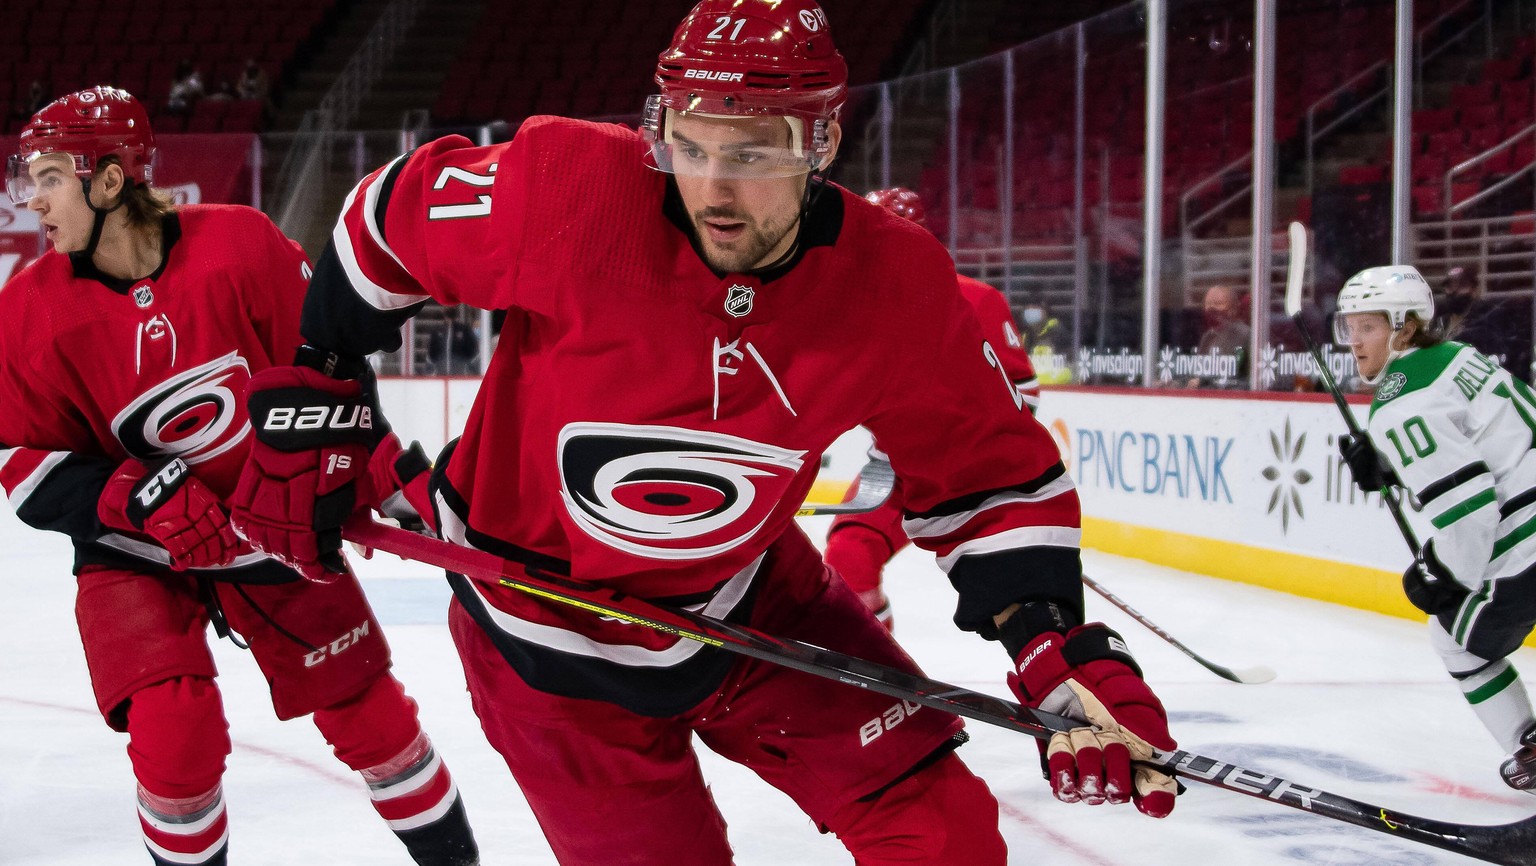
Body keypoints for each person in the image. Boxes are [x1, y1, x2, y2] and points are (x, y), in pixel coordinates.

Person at [229, 3, 1179, 862]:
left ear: (824, 140)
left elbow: (985, 480)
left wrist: (1057, 649)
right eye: (691, 146)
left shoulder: (896, 284)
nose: (715, 189)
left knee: (945, 839)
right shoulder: (569, 190)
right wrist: (323, 390)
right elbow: (382, 227)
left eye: (756, 152)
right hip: (544, 637)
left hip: (751, 596)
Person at [0, 87, 480, 865]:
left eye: (51, 176)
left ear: (111, 179)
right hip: (138, 551)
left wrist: (387, 474)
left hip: (273, 524)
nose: (34, 202)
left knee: (375, 722)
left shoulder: (241, 247)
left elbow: (324, 380)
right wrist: (135, 495)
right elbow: (25, 469)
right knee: (174, 737)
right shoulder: (27, 312)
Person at [1336, 264, 1536, 794]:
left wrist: (1446, 573)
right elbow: (1487, 442)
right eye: (1349, 327)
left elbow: (1471, 511)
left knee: (1456, 639)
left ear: (1404, 327)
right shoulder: (1455, 357)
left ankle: (1532, 750)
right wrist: (1390, 466)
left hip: (1530, 541)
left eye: (1369, 327)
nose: (1355, 342)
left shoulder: (1400, 400)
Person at [823, 187, 1040, 628]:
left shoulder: (976, 299)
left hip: (976, 477)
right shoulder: (852, 305)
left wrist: (962, 446)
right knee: (848, 558)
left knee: (1017, 599)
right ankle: (873, 680)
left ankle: (1059, 672)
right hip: (894, 471)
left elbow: (1024, 392)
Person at [1190, 283, 1249, 387]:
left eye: (1218, 303)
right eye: (1208, 303)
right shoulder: (1208, 336)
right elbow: (1198, 373)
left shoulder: (1246, 335)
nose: (1211, 308)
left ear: (1233, 308)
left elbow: (1253, 380)